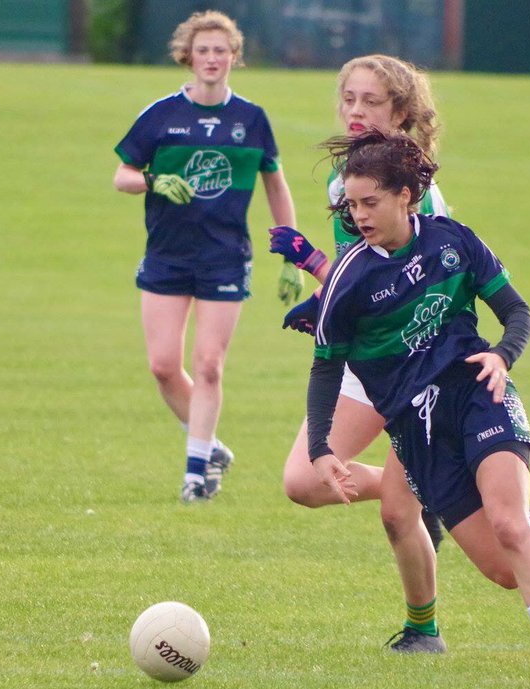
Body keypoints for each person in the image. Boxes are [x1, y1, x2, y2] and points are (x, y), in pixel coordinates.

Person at [307, 130, 530, 688]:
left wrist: (502, 356)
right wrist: (320, 448)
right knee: (504, 570)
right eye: (350, 205)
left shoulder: (453, 241)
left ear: (407, 195)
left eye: (370, 202)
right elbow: (325, 368)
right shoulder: (349, 279)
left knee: (507, 524)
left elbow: (517, 311)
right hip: (417, 433)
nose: (358, 216)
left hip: (476, 394)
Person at [269, 54, 454, 652]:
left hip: (419, 365)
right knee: (302, 481)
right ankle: (436, 490)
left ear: (399, 111)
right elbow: (361, 280)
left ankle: (423, 630)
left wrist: (313, 265)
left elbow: (402, 290)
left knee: (399, 516)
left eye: (370, 101)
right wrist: (324, 294)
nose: (354, 110)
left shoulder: (414, 192)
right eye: (348, 98)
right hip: (366, 361)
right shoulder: (344, 179)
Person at [112, 11, 296, 502]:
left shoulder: (252, 119)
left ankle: (196, 473)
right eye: (203, 50)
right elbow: (122, 175)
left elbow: (275, 184)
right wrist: (152, 180)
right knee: (163, 366)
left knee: (209, 364)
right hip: (167, 256)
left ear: (234, 57)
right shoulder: (161, 114)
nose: (212, 59)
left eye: (221, 50)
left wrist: (291, 254)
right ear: (187, 56)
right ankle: (212, 447)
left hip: (225, 257)